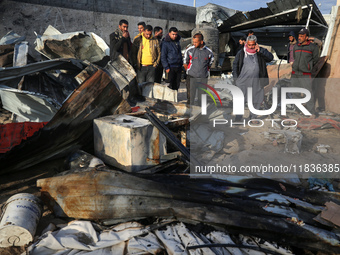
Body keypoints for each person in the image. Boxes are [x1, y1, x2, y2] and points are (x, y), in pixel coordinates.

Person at [232, 35, 273, 121]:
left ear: (256, 44)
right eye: (249, 45)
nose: (251, 47)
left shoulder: (260, 51)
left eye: (253, 45)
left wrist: (260, 50)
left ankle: (253, 117)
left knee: (256, 99)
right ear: (246, 43)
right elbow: (235, 64)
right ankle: (238, 117)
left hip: (257, 81)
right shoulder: (241, 53)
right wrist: (236, 78)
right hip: (243, 80)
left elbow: (270, 58)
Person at [291, 28, 319, 117]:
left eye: (302, 36)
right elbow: (295, 57)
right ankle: (298, 109)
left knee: (308, 92)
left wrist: (308, 66)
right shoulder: (296, 46)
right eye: (299, 36)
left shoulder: (313, 47)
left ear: (307, 37)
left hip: (305, 74)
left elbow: (316, 60)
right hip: (295, 73)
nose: (299, 38)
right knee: (295, 91)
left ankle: (311, 112)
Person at [183, 33, 214, 105]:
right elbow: (185, 63)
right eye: (193, 42)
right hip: (191, 77)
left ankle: (200, 114)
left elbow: (210, 63)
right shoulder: (189, 50)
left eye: (196, 42)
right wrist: (189, 71)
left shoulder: (209, 52)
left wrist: (204, 72)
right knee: (190, 97)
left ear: (201, 42)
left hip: (203, 78)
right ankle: (189, 114)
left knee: (202, 98)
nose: (194, 44)